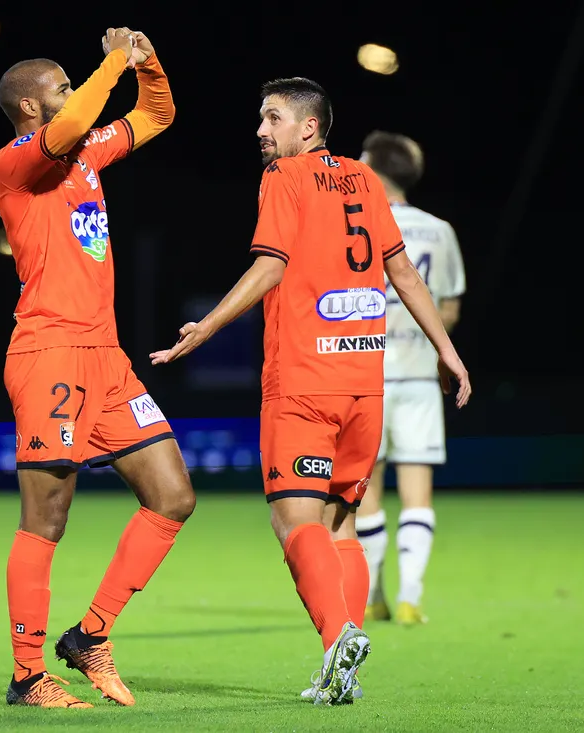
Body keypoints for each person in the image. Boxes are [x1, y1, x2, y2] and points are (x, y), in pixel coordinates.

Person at [151, 78, 471, 705]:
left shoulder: (284, 180)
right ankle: (341, 670)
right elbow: (399, 271)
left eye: (272, 118)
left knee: (292, 519)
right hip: (364, 384)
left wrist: (207, 329)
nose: (261, 130)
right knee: (340, 525)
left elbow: (270, 265)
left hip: (302, 382)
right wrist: (448, 351)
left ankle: (338, 637)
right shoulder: (365, 180)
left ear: (309, 127)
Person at [0, 28, 195, 709]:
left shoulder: (86, 154)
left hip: (106, 359)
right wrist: (110, 62)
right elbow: (79, 118)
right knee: (46, 517)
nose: (74, 96)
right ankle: (27, 675)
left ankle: (89, 635)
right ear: (30, 107)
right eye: (60, 88)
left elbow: (157, 114)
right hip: (48, 351)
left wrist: (147, 61)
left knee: (172, 496)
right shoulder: (18, 160)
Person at [353, 131, 467, 626]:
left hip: (364, 373)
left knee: (366, 489)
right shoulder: (439, 230)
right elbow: (450, 308)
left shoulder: (357, 221)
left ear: (373, 169)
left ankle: (372, 595)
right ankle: (410, 599)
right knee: (418, 488)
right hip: (421, 375)